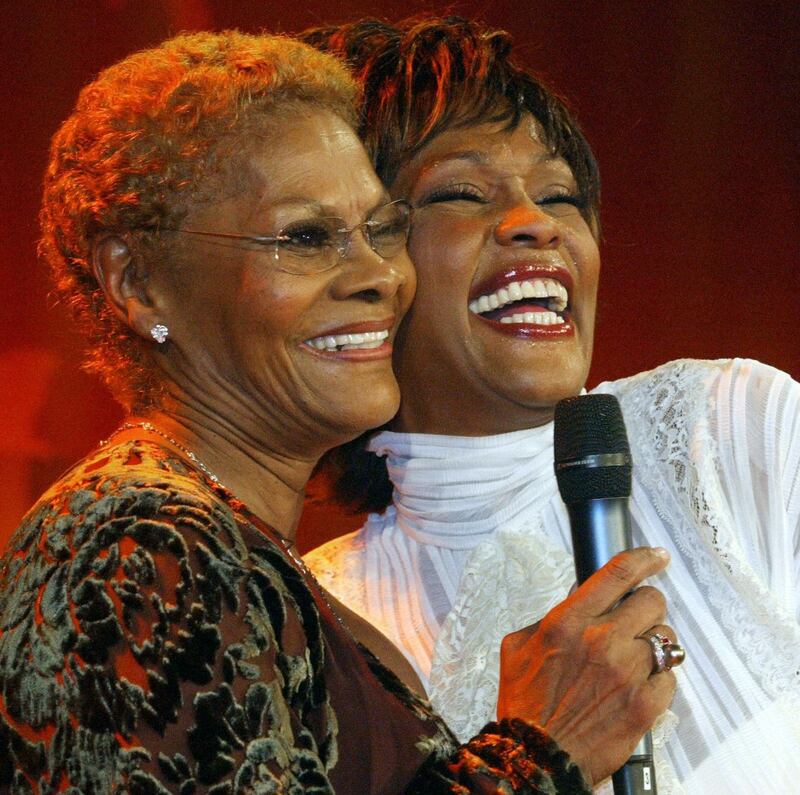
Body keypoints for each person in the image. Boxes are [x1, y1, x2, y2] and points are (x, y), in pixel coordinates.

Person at [0, 29, 676, 795]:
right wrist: (539, 751)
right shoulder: (137, 545)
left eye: (381, 230)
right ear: (140, 282)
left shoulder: (239, 554)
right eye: (307, 237)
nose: (379, 275)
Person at [301, 17, 800, 794]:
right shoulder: (319, 626)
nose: (536, 222)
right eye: (463, 192)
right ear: (364, 265)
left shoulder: (731, 432)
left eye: (560, 193)